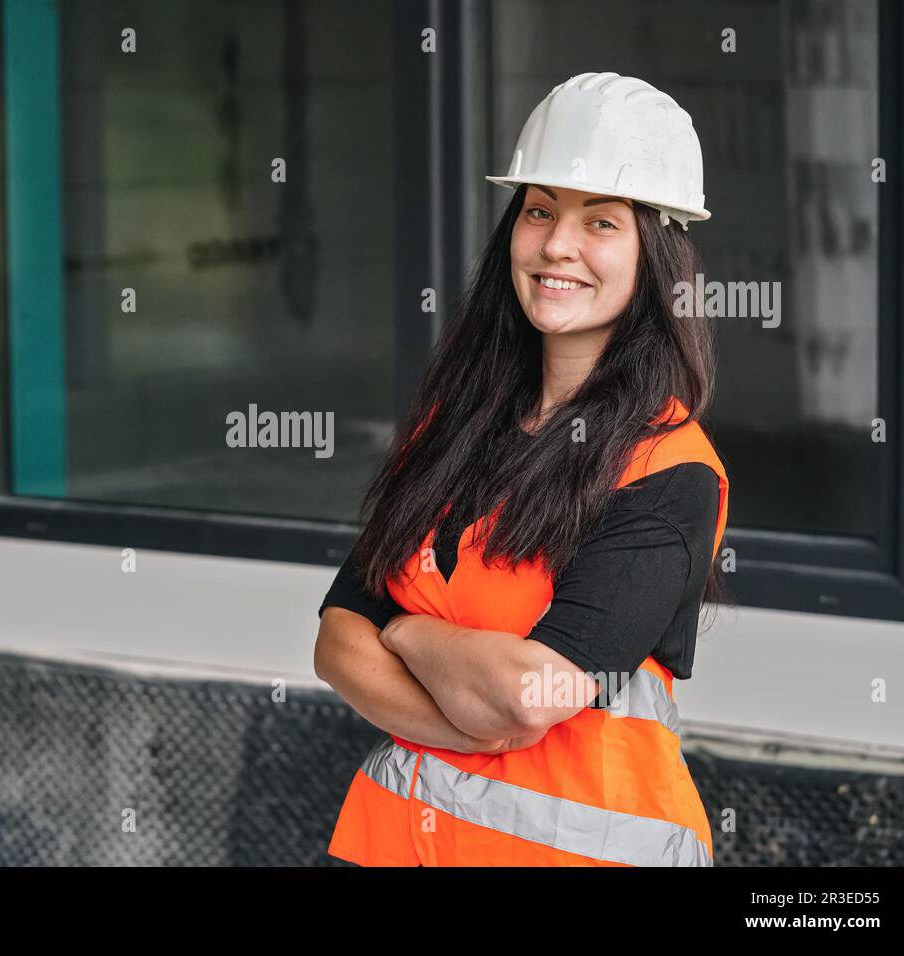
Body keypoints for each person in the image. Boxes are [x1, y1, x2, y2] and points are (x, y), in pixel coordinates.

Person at [313, 72, 730, 867]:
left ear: (658, 253)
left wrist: (399, 630)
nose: (556, 245)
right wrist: (462, 714)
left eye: (600, 222)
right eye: (539, 210)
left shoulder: (671, 471)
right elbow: (336, 641)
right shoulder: (453, 428)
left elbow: (529, 696)